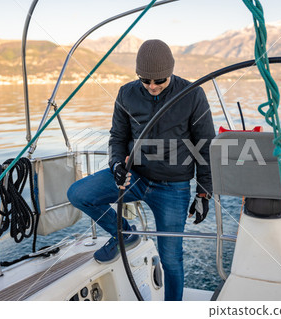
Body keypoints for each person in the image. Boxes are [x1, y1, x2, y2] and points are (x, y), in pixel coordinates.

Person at [67, 39, 215, 301]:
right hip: (134, 178)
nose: (153, 86)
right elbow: (117, 137)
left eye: (159, 81)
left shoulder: (192, 95)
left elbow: (206, 147)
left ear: (170, 72)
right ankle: (124, 233)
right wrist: (115, 165)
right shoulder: (126, 93)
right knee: (79, 194)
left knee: (170, 259)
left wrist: (204, 195)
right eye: (146, 81)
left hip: (174, 187)